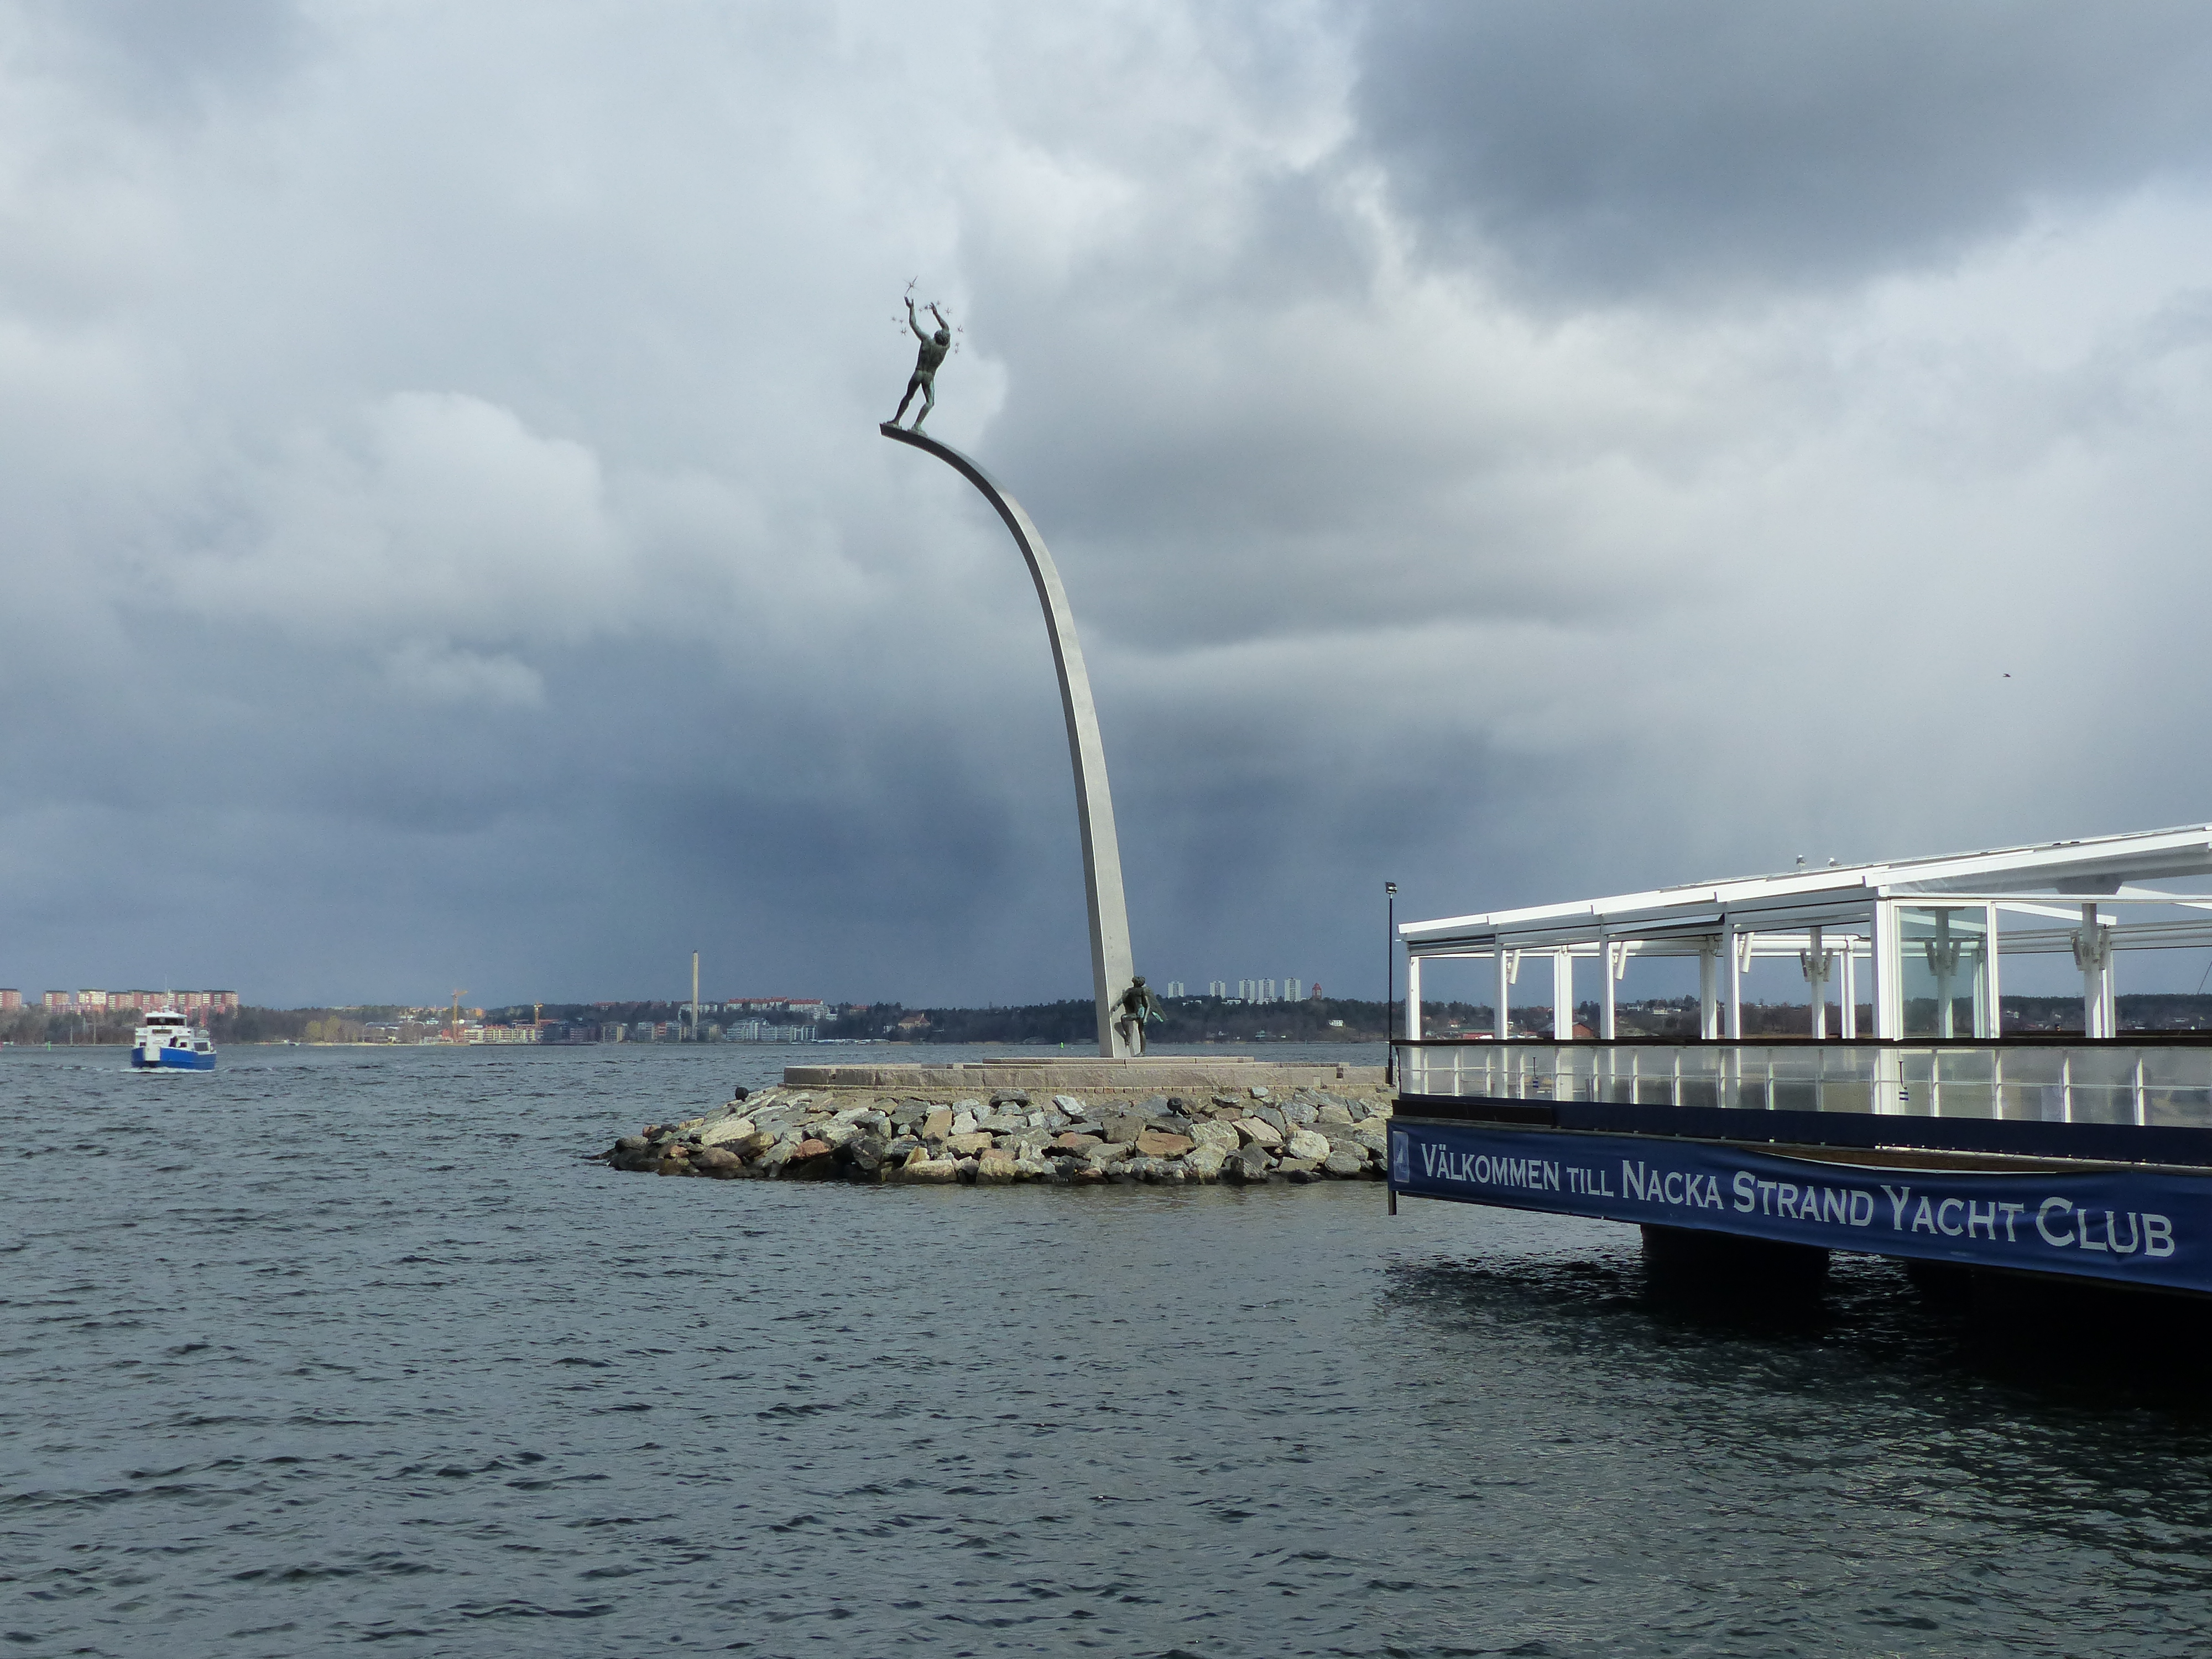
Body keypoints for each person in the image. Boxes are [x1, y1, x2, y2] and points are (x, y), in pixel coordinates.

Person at [891, 298, 952, 431]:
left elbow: (913, 324)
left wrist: (912, 308)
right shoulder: (944, 348)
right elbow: (947, 328)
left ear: (936, 335)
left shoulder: (927, 340)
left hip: (918, 373)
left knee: (909, 396)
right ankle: (917, 425)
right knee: (930, 402)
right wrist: (936, 314)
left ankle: (896, 421)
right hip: (929, 377)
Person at [1115, 975, 1165, 1055]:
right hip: (1135, 1012)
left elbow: (1148, 1006)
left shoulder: (1142, 991)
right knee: (1124, 1018)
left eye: (1138, 979)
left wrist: (1145, 1018)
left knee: (1141, 1031)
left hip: (1141, 1012)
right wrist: (1117, 1006)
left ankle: (1142, 1052)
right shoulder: (1130, 990)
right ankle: (1128, 1035)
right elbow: (1123, 999)